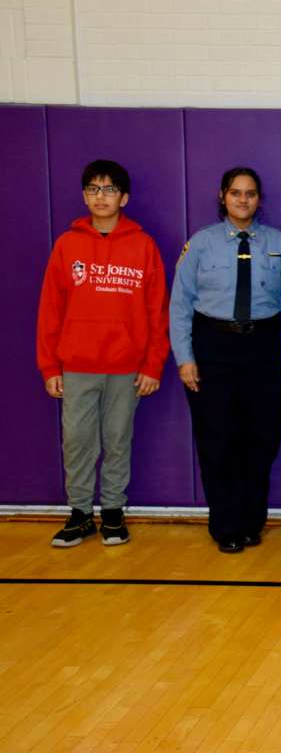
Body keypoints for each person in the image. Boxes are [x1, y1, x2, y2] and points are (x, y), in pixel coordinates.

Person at [36, 159, 169, 548]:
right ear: (84, 196)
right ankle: (79, 513)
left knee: (117, 439)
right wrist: (49, 365)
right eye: (94, 189)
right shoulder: (67, 245)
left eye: (109, 189)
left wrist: (152, 364)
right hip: (77, 365)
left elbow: (157, 311)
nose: (101, 196)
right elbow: (50, 310)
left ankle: (112, 511)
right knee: (77, 440)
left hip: (128, 368)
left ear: (124, 197)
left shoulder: (143, 246)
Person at [169, 167, 281, 554]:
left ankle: (252, 521)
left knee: (261, 439)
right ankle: (225, 525)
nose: (243, 200)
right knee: (217, 440)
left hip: (265, 347)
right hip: (213, 347)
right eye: (236, 193)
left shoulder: (279, 242)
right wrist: (185, 358)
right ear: (223, 196)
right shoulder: (200, 244)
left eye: (251, 193)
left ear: (259, 199)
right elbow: (180, 305)